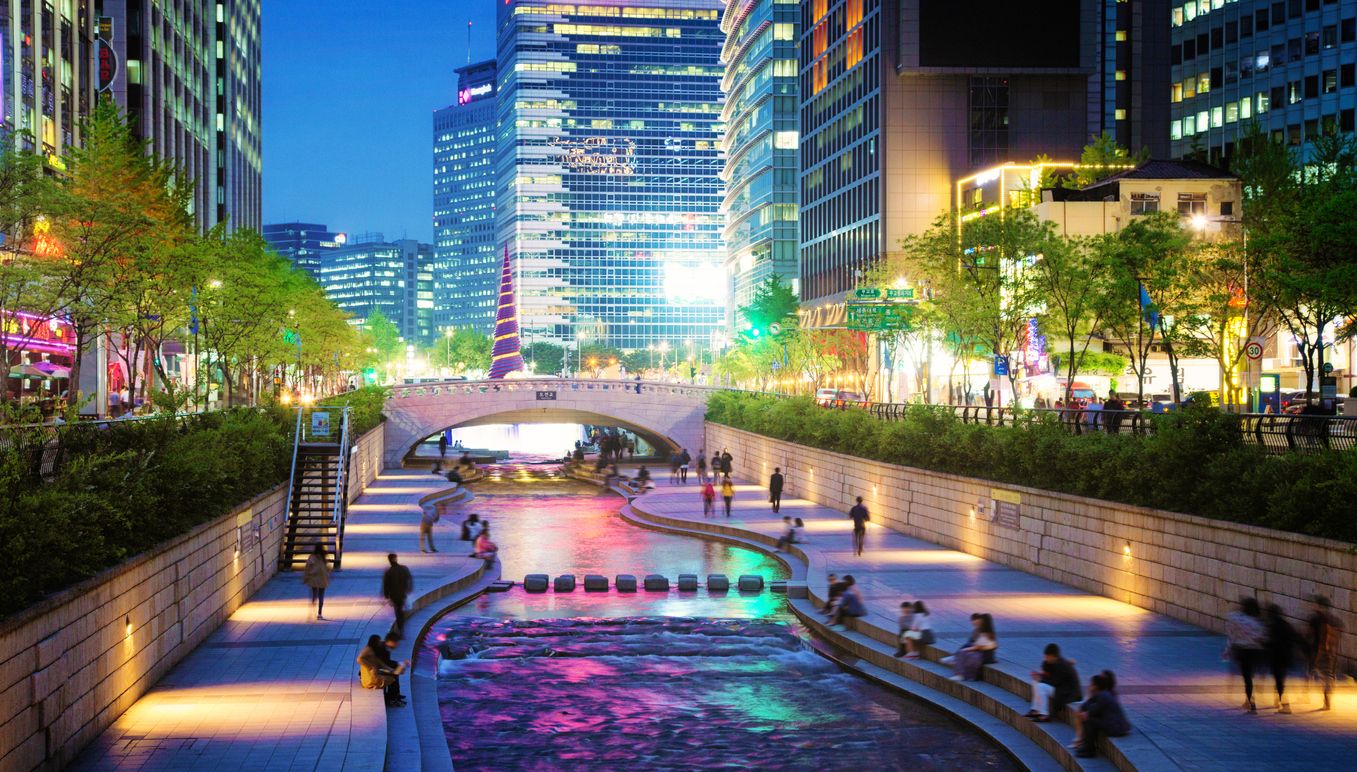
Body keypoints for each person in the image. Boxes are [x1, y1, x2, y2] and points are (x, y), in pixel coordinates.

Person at [1225, 595, 1267, 713]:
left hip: (1243, 651)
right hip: (1257, 652)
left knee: (1247, 678)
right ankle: (1249, 700)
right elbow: (1263, 637)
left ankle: (1251, 704)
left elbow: (1231, 632)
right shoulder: (1259, 622)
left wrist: (1228, 649)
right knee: (1251, 677)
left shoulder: (1237, 619)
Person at [1074, 671, 1130, 759]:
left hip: (1115, 727)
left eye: (1091, 685)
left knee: (1089, 721)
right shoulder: (1102, 694)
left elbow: (1094, 710)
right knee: (1089, 718)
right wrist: (1090, 697)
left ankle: (1090, 750)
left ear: (1095, 686)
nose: (1089, 686)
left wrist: (1086, 712)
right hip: (1113, 724)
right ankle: (1087, 746)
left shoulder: (1103, 696)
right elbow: (1086, 706)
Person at [1026, 643, 1082, 722]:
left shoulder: (1061, 665)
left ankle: (1044, 714)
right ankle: (1036, 709)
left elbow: (1054, 682)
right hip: (1062, 690)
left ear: (1052, 656)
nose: (1045, 659)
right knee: (1036, 683)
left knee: (1041, 686)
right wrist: (1039, 677)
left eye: (1047, 657)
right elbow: (1051, 678)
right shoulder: (1055, 662)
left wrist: (1040, 679)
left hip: (1068, 694)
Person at [1306, 594, 1343, 710]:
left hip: (1320, 650)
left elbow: (1313, 635)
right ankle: (1327, 700)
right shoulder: (1334, 620)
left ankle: (1325, 700)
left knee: (1322, 675)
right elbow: (1339, 634)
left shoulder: (1316, 619)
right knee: (1328, 675)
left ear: (1319, 606)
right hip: (1332, 652)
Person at [357, 633, 409, 708]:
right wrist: (370, 667)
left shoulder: (377, 650)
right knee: (393, 677)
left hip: (377, 670)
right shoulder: (370, 649)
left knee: (394, 674)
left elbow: (381, 663)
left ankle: (394, 696)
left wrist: (392, 670)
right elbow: (359, 659)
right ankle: (392, 699)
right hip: (370, 676)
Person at [1264, 603, 1297, 713]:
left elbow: (1269, 642)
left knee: (1279, 681)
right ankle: (1278, 700)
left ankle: (1286, 706)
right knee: (1279, 679)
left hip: (1277, 658)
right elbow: (1295, 638)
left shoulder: (1272, 625)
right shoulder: (1286, 624)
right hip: (1286, 657)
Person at [948, 613, 998, 681]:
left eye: (980, 621)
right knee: (965, 651)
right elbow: (975, 644)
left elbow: (977, 647)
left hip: (985, 656)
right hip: (984, 654)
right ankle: (959, 671)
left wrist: (965, 650)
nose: (979, 622)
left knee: (964, 653)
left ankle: (961, 675)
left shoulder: (986, 634)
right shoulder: (985, 632)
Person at [381, 553, 413, 635]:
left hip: (394, 596)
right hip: (402, 594)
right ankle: (401, 628)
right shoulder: (404, 568)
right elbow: (409, 578)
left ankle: (401, 629)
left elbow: (386, 585)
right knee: (400, 610)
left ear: (389, 561)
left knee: (398, 612)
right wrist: (408, 589)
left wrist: (386, 596)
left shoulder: (388, 572)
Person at [303, 543, 331, 621]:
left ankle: (312, 611)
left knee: (314, 595)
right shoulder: (324, 557)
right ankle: (319, 613)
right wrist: (328, 575)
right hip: (322, 579)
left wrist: (306, 577)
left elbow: (307, 567)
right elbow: (328, 568)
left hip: (314, 579)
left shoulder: (312, 557)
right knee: (321, 596)